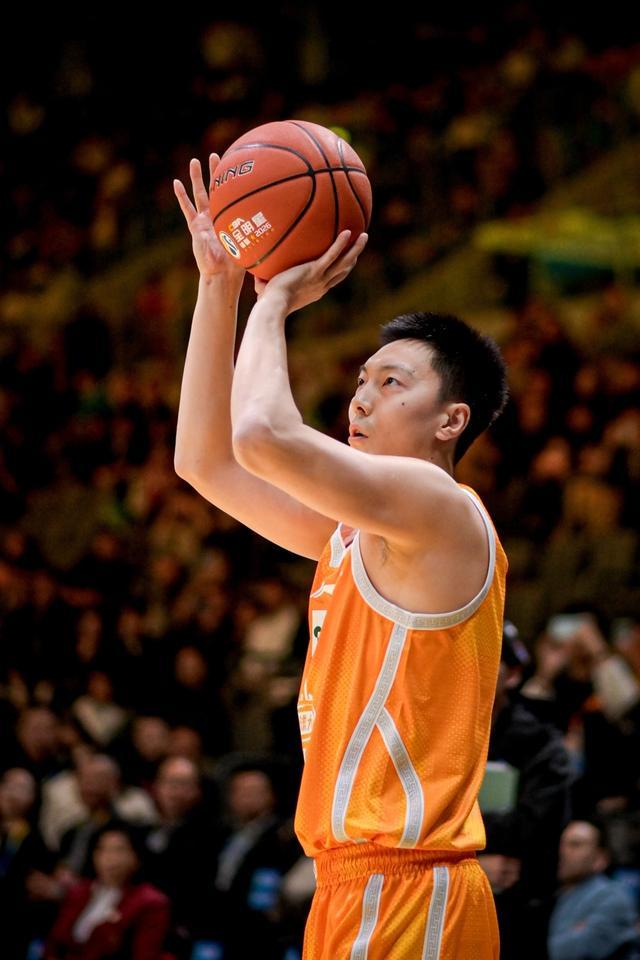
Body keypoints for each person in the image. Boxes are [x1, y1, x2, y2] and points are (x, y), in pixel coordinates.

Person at [173, 154, 509, 958]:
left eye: (392, 383)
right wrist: (220, 285)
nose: (360, 396)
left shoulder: (443, 509)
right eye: (361, 378)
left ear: (450, 420)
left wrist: (274, 300)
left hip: (412, 888)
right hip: (348, 884)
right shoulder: (352, 534)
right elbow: (204, 461)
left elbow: (261, 434)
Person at [44, 822, 170, 960]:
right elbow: (54, 943)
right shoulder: (79, 892)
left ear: (136, 856)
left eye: (119, 850)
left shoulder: (149, 902)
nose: (109, 858)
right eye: (102, 849)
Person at [548, 820, 640, 960]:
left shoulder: (613, 896)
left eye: (575, 845)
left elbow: (571, 951)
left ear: (600, 858)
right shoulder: (560, 896)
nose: (563, 852)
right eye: (562, 844)